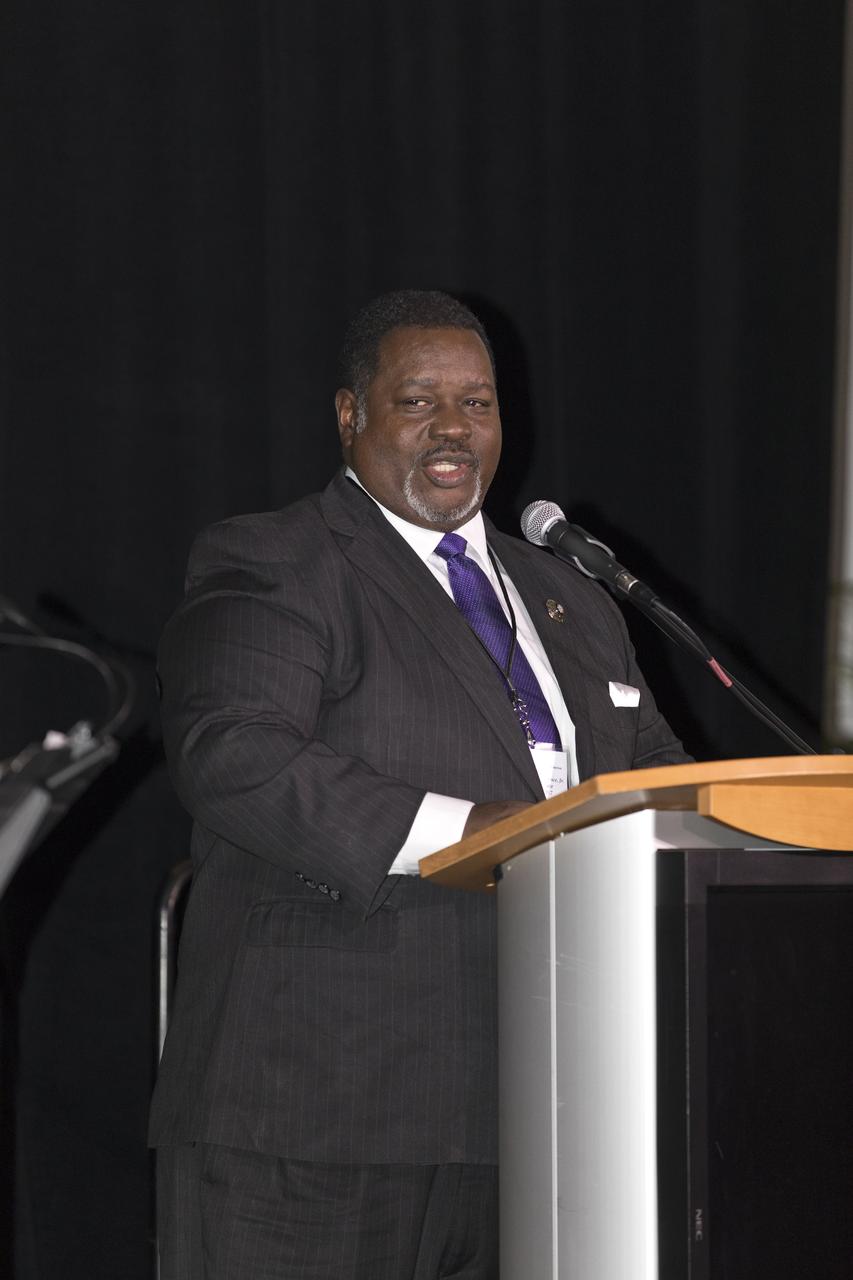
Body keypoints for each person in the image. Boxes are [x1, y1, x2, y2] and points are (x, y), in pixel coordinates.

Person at [151, 289, 688, 1278]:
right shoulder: (282, 560)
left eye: (478, 403)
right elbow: (235, 755)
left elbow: (660, 783)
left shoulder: (571, 594)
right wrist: (482, 830)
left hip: (544, 1120)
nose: (453, 427)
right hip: (320, 1114)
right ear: (350, 414)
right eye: (418, 401)